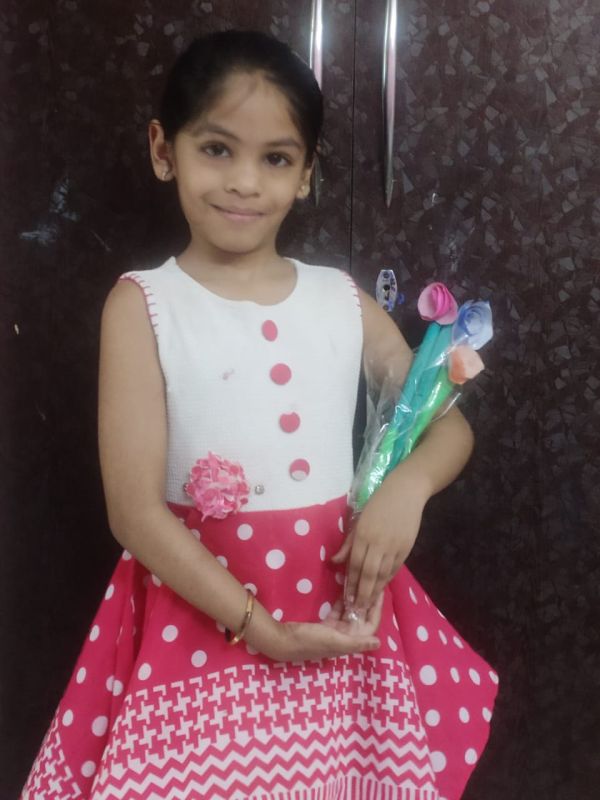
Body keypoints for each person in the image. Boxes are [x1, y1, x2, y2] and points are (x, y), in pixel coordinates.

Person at [21, 29, 498, 800]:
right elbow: (134, 513)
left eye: (276, 158)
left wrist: (407, 491)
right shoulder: (144, 305)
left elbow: (443, 420)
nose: (244, 182)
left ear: (306, 174)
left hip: (339, 614)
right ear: (164, 150)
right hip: (198, 616)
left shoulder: (341, 300)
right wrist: (261, 630)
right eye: (217, 149)